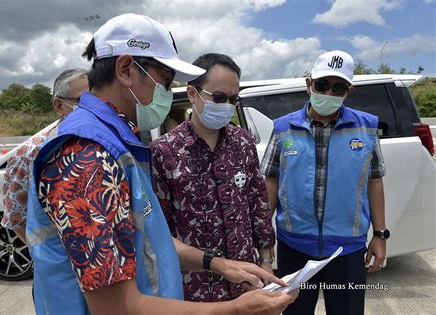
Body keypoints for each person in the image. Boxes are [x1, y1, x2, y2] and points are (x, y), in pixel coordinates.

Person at [25, 13, 297, 315]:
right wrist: (235, 309)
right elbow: (116, 308)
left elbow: (152, 240)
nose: (167, 94)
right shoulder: (86, 155)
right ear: (127, 69)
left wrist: (220, 265)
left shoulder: (118, 144)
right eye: (165, 81)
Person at [261, 50, 388, 315]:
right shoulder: (284, 128)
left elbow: (374, 181)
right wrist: (264, 239)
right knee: (294, 311)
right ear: (309, 84)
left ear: (348, 91)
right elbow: (271, 179)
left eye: (338, 87)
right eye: (322, 85)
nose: (329, 94)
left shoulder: (366, 128)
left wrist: (379, 235)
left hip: (347, 250)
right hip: (294, 247)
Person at [150, 53, 276, 302]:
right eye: (219, 98)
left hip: (246, 280)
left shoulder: (243, 142)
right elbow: (159, 229)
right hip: (194, 289)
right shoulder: (164, 151)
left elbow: (258, 206)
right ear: (192, 93)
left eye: (233, 99)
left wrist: (266, 262)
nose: (227, 106)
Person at [2, 68, 89, 243]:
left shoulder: (102, 142)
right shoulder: (30, 153)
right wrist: (47, 259)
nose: (93, 107)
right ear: (59, 106)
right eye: (83, 101)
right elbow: (16, 218)